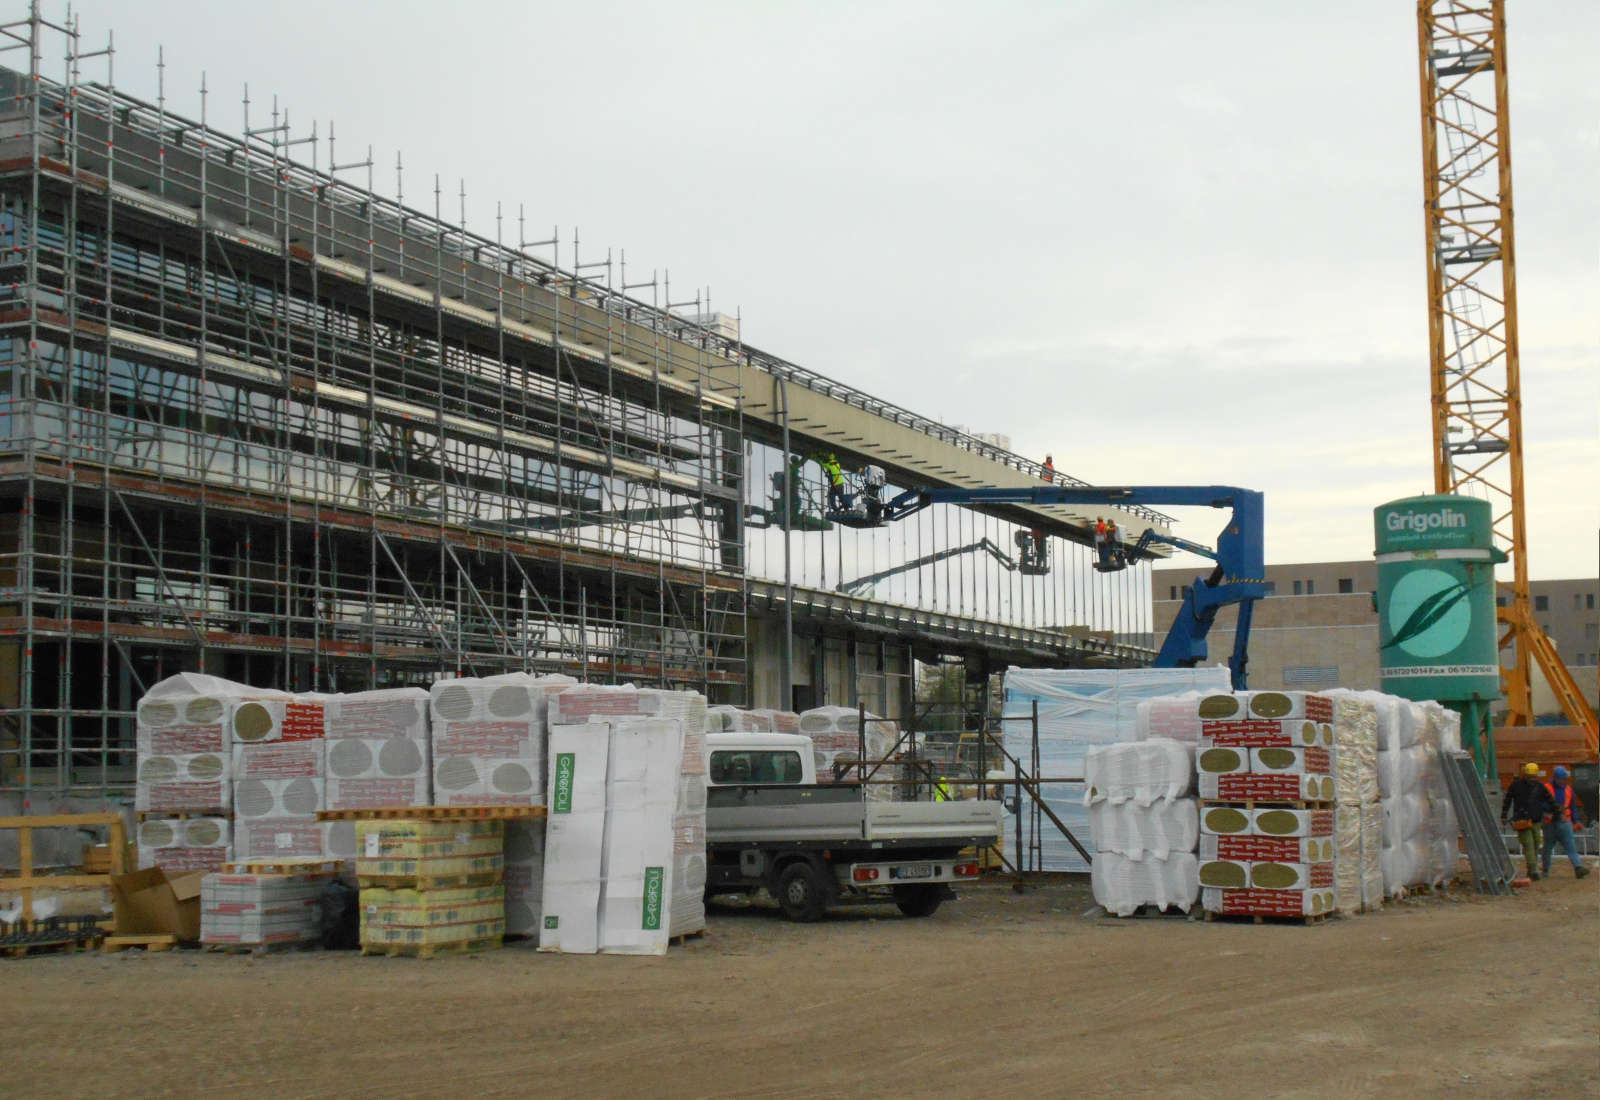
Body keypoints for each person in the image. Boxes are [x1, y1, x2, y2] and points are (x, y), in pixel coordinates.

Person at [1501, 762, 1551, 880]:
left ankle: (1531, 869)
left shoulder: (1539, 787)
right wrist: (1503, 815)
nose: (1532, 779)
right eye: (1531, 777)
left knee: (1536, 844)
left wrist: (1555, 811)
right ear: (1526, 775)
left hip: (1536, 821)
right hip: (1522, 821)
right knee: (1529, 845)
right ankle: (1534, 871)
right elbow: (1507, 800)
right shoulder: (1516, 785)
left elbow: (1549, 799)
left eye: (1534, 777)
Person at [1541, 765, 1591, 878]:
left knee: (1570, 846)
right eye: (1560, 779)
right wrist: (1554, 809)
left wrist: (1575, 821)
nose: (1562, 781)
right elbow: (1541, 804)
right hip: (1550, 823)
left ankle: (1578, 868)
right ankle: (1545, 871)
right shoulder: (1546, 788)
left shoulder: (1569, 790)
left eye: (1563, 779)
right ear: (1555, 778)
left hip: (1564, 823)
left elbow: (1572, 807)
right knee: (1547, 848)